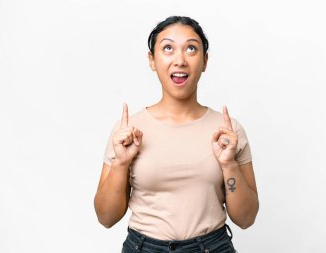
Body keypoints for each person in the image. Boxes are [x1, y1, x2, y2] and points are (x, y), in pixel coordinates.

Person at [94, 16, 259, 253]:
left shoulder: (228, 132)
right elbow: (106, 217)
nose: (179, 60)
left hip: (212, 247)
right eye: (168, 48)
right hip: (143, 248)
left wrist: (229, 164)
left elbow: (246, 218)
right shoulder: (128, 130)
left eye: (191, 48)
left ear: (204, 61)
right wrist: (121, 163)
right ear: (152, 60)